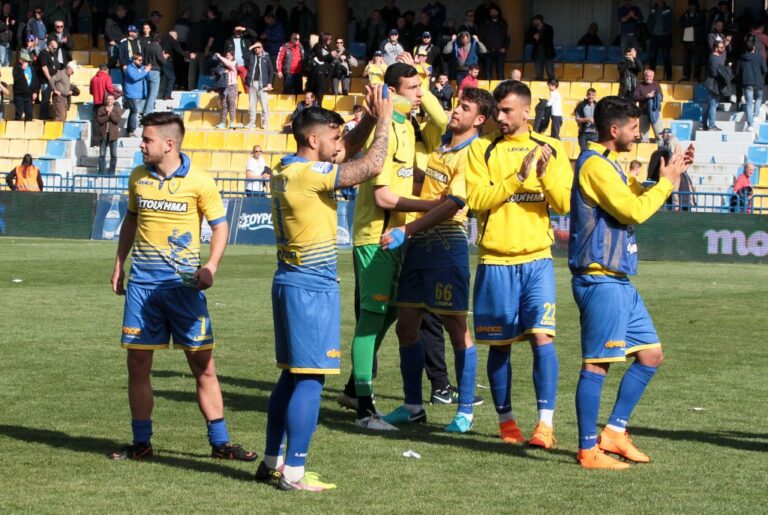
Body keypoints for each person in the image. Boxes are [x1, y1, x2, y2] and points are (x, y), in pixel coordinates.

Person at [255, 88, 393, 492]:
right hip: (312, 287)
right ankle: (295, 472)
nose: (339, 143)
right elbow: (369, 165)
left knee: (291, 377)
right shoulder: (309, 175)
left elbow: (344, 151)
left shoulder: (288, 167)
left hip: (290, 280)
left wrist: (367, 118)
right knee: (312, 379)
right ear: (313, 139)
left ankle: (272, 461)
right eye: (333, 137)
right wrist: (385, 120)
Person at [109, 111, 256, 463]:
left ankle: (221, 443)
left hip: (183, 288)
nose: (141, 145)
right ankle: (141, 443)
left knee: (203, 365)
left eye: (147, 139)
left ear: (169, 144)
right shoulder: (138, 177)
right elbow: (131, 220)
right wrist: (119, 264)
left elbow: (220, 227)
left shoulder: (200, 181)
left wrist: (211, 266)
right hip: (143, 287)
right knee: (138, 365)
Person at [569, 96, 693, 469]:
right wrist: (666, 185)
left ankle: (614, 432)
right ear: (614, 129)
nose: (638, 135)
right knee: (598, 364)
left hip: (620, 280)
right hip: (599, 279)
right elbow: (632, 211)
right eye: (634, 128)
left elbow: (637, 195)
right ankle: (588, 450)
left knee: (650, 355)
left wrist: (667, 177)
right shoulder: (594, 165)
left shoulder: (610, 164)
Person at [379, 88, 495, 433]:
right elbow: (429, 187)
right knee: (406, 325)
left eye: (465, 108)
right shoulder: (442, 147)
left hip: (446, 244)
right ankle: (413, 406)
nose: (456, 111)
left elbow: (453, 203)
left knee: (456, 328)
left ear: (479, 119)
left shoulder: (473, 152)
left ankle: (465, 411)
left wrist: (407, 229)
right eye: (457, 104)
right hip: (420, 244)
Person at [466, 80, 572, 449]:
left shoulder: (551, 148)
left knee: (543, 338)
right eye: (496, 110)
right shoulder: (481, 148)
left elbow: (564, 204)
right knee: (501, 344)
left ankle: (545, 424)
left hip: (537, 260)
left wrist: (542, 175)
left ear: (527, 111)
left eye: (507, 110)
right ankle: (506, 422)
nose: (499, 116)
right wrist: (517, 178)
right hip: (495, 260)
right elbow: (476, 200)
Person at [347, 63, 443, 430]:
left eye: (422, 86)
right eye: (413, 88)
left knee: (389, 315)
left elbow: (407, 175)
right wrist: (433, 206)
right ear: (392, 92)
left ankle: (355, 390)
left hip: (396, 238)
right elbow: (384, 197)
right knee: (372, 319)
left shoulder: (405, 126)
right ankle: (364, 408)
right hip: (376, 238)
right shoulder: (384, 131)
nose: (420, 93)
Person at [736, 36, 766, 131]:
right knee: (758, 98)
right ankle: (756, 115)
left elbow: (737, 72)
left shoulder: (742, 58)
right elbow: (765, 70)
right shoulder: (759, 57)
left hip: (747, 82)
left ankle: (750, 125)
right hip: (758, 82)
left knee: (748, 104)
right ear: (754, 47)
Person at [245, 42, 274, 130]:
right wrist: (252, 46)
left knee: (264, 105)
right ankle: (252, 122)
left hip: (263, 85)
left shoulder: (266, 57)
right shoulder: (251, 57)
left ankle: (265, 123)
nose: (256, 49)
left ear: (262, 48)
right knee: (252, 105)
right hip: (252, 83)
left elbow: (271, 71)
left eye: (258, 47)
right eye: (255, 48)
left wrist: (270, 83)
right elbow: (244, 55)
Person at [703, 40, 730, 131]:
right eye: (721, 47)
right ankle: (711, 125)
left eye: (723, 47)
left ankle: (704, 124)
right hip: (713, 85)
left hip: (715, 84)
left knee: (710, 105)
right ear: (715, 48)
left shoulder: (717, 57)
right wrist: (725, 71)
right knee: (713, 105)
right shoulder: (714, 58)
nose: (723, 49)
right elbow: (714, 72)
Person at [477, 7, 508, 80]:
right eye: (491, 12)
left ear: (498, 12)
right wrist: (484, 48)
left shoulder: (502, 23)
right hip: (488, 51)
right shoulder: (485, 24)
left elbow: (507, 37)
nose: (493, 13)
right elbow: (480, 37)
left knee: (500, 74)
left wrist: (505, 47)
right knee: (487, 74)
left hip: (500, 51)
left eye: (495, 11)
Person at [646, 0, 673, 80]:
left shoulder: (668, 9)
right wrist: (650, 30)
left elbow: (672, 22)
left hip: (665, 36)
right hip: (654, 36)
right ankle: (650, 77)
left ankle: (669, 76)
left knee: (666, 56)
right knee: (652, 57)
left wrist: (668, 32)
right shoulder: (653, 8)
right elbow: (649, 20)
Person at [680, 1, 707, 82]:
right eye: (691, 6)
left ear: (696, 6)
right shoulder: (686, 13)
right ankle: (686, 76)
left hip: (697, 41)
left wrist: (688, 22)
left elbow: (696, 22)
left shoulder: (700, 14)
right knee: (686, 60)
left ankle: (696, 76)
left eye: (694, 6)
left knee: (697, 60)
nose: (692, 7)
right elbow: (681, 22)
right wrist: (689, 23)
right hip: (687, 40)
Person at [225, 25, 258, 93]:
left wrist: (244, 29)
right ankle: (232, 98)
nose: (238, 32)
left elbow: (255, 34)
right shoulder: (229, 40)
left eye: (239, 31)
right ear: (233, 31)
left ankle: (249, 98)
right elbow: (225, 52)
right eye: (236, 31)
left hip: (244, 65)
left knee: (247, 84)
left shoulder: (246, 39)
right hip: (233, 66)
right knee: (231, 85)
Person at [634, 69, 663, 142]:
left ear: (653, 77)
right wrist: (646, 96)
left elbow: (661, 97)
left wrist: (654, 96)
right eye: (647, 76)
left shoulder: (656, 85)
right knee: (644, 137)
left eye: (650, 76)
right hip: (644, 113)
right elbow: (635, 97)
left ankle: (660, 148)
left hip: (655, 112)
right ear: (644, 76)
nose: (649, 78)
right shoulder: (640, 85)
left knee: (659, 135)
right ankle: (644, 148)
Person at [124, 53, 149, 137]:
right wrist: (145, 71)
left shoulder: (142, 68)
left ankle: (129, 130)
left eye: (142, 60)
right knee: (135, 111)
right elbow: (135, 78)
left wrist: (146, 71)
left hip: (139, 94)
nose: (141, 62)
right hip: (131, 94)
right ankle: (132, 130)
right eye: (139, 60)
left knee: (133, 112)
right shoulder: (129, 68)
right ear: (134, 60)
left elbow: (147, 77)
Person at [96, 93, 122, 175]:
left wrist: (110, 113)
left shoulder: (117, 109)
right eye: (108, 99)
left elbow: (117, 120)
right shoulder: (101, 109)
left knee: (113, 154)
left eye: (111, 99)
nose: (109, 101)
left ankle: (111, 173)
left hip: (113, 135)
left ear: (114, 100)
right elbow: (99, 120)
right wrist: (107, 116)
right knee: (102, 154)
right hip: (103, 134)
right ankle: (101, 173)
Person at [214, 51, 240, 130]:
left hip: (232, 86)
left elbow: (229, 64)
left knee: (231, 104)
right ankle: (222, 123)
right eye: (227, 55)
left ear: (232, 57)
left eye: (229, 55)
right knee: (224, 105)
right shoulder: (222, 65)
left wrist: (220, 56)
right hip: (223, 86)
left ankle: (232, 122)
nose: (227, 57)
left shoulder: (234, 63)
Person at [36, 38, 60, 120]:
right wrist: (50, 79)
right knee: (45, 99)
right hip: (45, 81)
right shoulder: (43, 54)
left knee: (50, 98)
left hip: (53, 80)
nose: (55, 50)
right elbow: (44, 68)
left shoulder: (52, 54)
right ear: (49, 46)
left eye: (56, 49)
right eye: (54, 48)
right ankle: (43, 116)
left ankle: (47, 114)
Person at [142, 34, 165, 115]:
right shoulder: (158, 47)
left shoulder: (146, 46)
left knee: (148, 93)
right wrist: (164, 58)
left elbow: (143, 58)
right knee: (153, 94)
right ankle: (147, 113)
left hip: (146, 71)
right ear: (159, 40)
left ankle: (144, 110)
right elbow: (161, 60)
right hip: (155, 71)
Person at [527, 15, 555, 81]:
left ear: (539, 20)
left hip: (547, 52)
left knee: (550, 72)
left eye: (534, 20)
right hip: (537, 53)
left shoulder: (549, 28)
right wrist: (533, 37)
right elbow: (528, 39)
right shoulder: (533, 30)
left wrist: (539, 38)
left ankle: (552, 84)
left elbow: (550, 39)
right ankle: (539, 84)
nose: (533, 22)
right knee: (538, 73)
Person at [12, 53, 39, 121]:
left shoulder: (32, 68)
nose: (27, 63)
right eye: (25, 61)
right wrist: (22, 69)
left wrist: (35, 92)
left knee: (29, 115)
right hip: (19, 95)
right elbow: (16, 79)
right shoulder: (16, 68)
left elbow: (35, 81)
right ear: (21, 60)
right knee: (19, 114)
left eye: (28, 61)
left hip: (29, 96)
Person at [575, 88, 598, 152]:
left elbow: (601, 118)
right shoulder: (581, 105)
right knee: (584, 152)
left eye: (592, 95)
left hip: (594, 134)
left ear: (595, 96)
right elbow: (577, 119)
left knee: (593, 153)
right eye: (589, 94)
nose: (591, 96)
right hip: (583, 134)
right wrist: (587, 119)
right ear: (586, 95)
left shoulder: (598, 106)